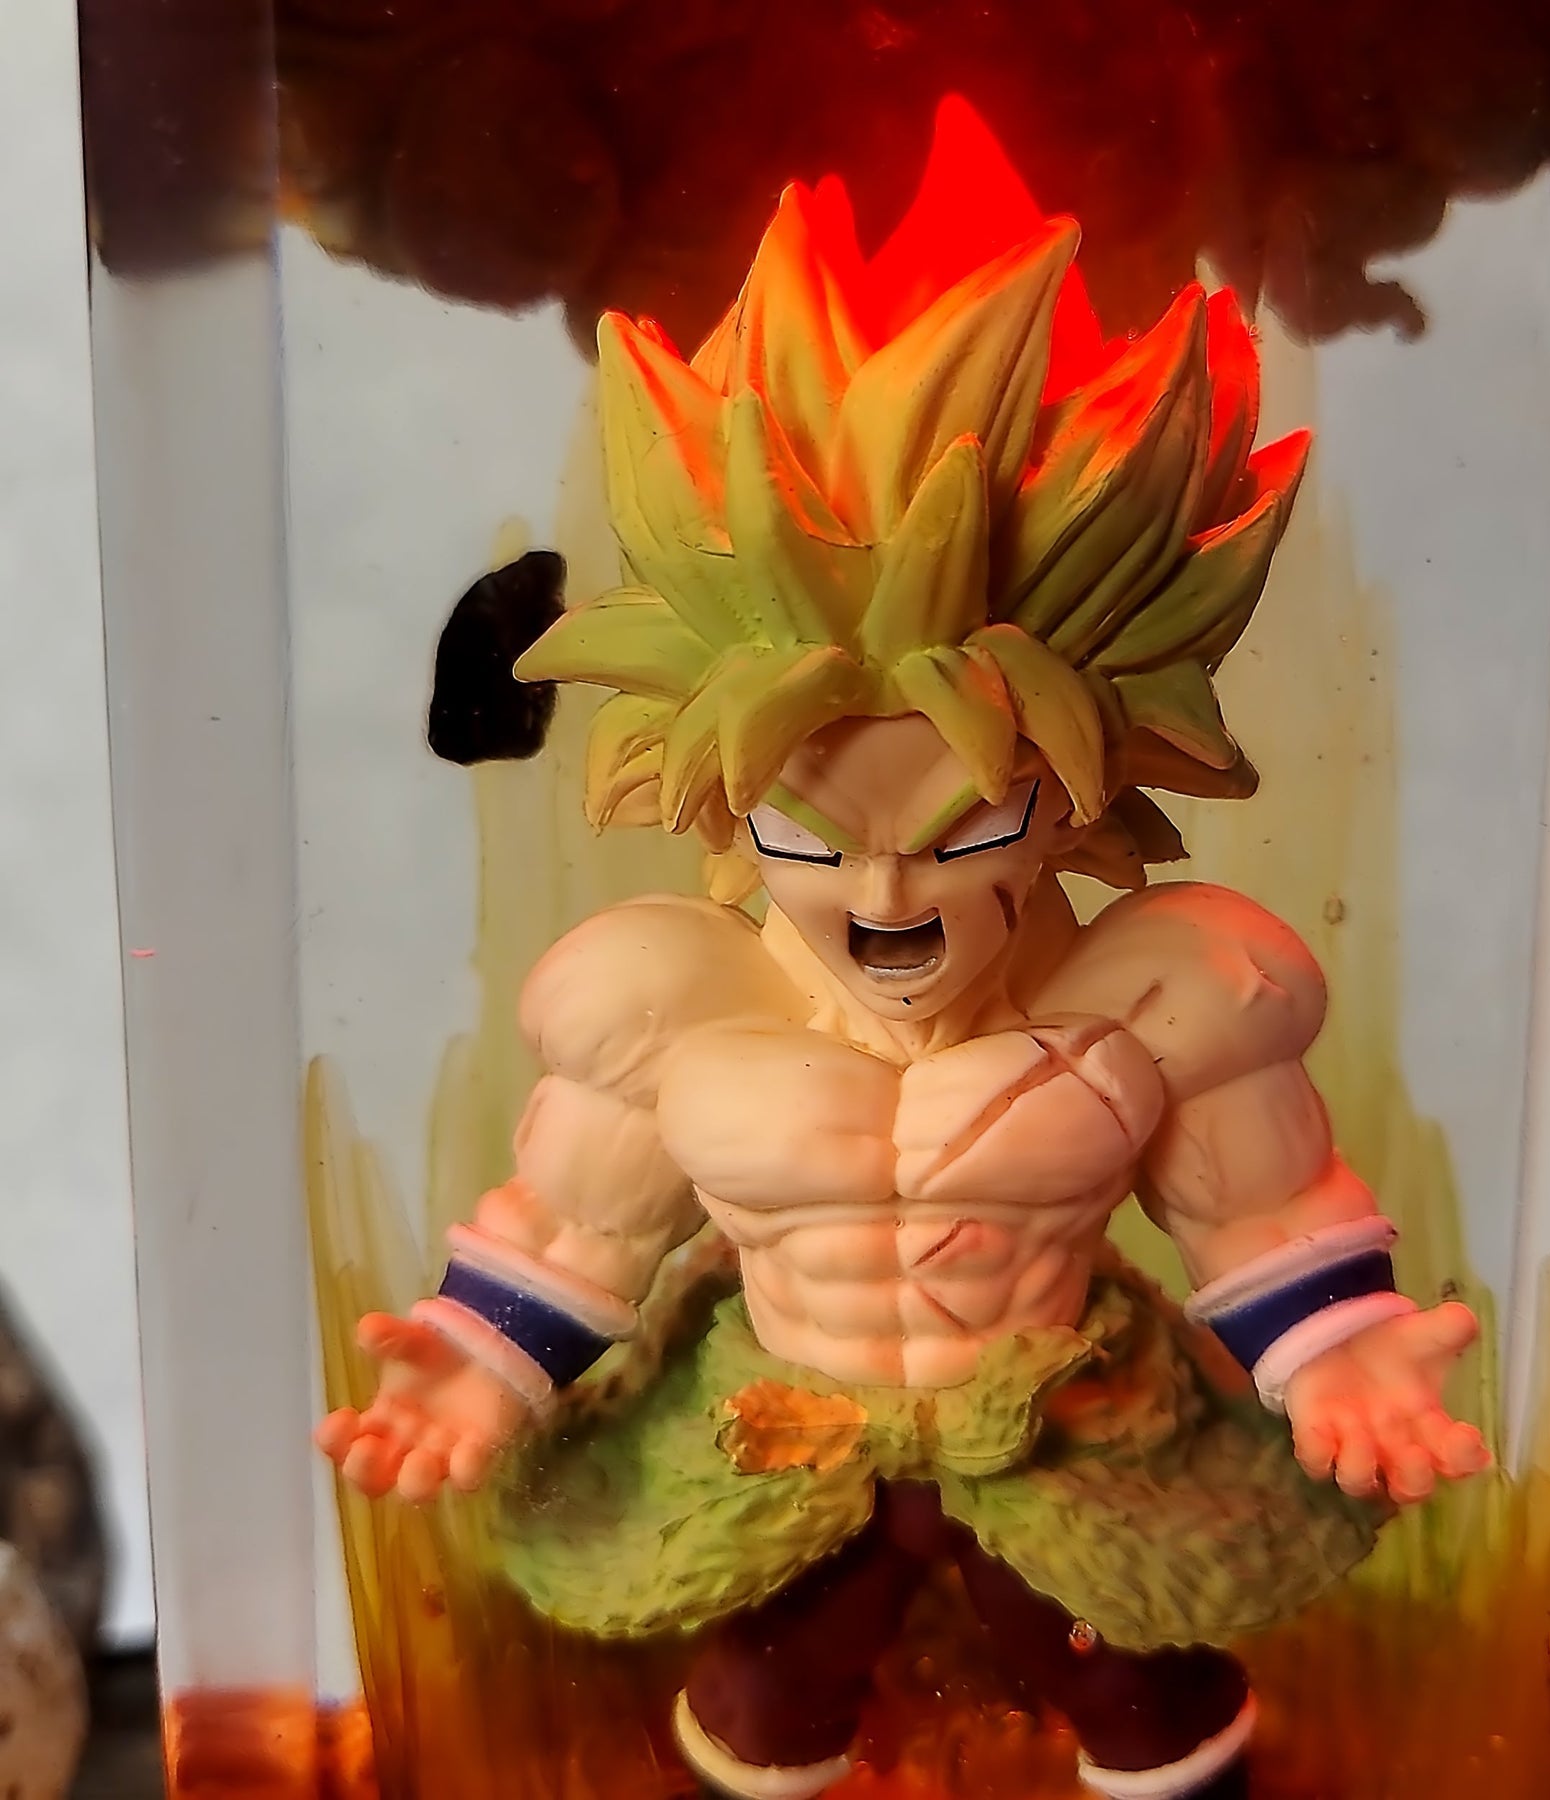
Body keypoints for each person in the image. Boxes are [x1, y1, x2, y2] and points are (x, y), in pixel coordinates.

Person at [317, 97, 1488, 1800]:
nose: (886, 895)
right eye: (816, 835)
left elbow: (1262, 1211)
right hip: (783, 1439)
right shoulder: (674, 1006)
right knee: (768, 1698)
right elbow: (578, 1228)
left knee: (1138, 1695)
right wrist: (472, 1364)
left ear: (1073, 798)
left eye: (965, 830)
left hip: (1072, 1434)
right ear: (731, 809)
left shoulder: (1158, 995)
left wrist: (1343, 1349)